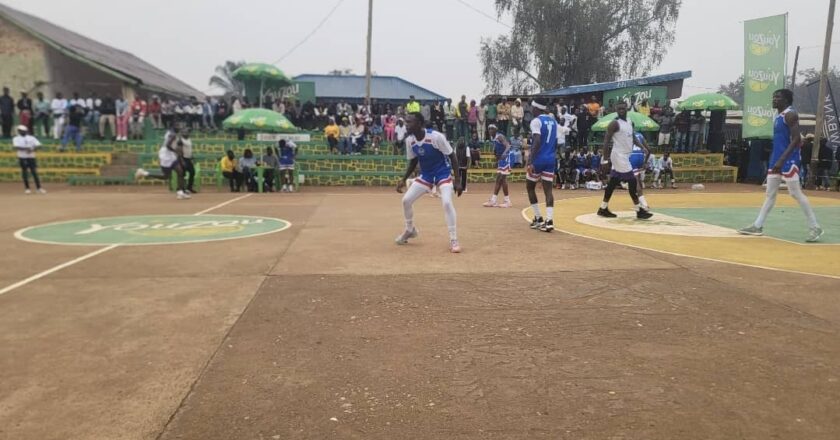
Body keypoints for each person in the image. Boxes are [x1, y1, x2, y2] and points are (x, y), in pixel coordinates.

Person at [738, 89, 822, 242]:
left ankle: (815, 227)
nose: (774, 99)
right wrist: (776, 158)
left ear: (786, 100)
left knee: (795, 193)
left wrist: (782, 160)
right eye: (773, 96)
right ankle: (758, 225)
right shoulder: (778, 116)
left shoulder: (790, 114)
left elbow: (797, 139)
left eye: (777, 97)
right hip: (777, 158)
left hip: (788, 159)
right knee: (770, 194)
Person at [395, 112, 463, 253]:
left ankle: (453, 239)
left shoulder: (436, 137)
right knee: (406, 200)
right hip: (426, 176)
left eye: (410, 122)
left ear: (419, 124)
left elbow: (452, 156)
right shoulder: (410, 141)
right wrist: (403, 179)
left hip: (442, 173)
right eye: (406, 122)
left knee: (446, 202)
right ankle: (410, 230)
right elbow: (413, 161)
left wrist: (457, 180)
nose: (406, 125)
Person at [596, 102, 653, 219]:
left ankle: (603, 208)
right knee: (632, 182)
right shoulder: (614, 124)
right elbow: (606, 141)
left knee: (612, 182)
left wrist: (642, 147)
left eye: (623, 108)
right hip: (619, 156)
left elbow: (632, 137)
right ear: (616, 109)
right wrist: (605, 160)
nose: (621, 110)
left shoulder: (629, 122)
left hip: (625, 156)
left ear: (627, 108)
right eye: (619, 109)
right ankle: (639, 210)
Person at [525, 100, 559, 232]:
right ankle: (549, 221)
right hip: (550, 159)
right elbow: (555, 141)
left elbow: (537, 140)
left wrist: (530, 160)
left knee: (530, 187)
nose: (531, 110)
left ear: (536, 108)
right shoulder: (553, 121)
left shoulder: (536, 121)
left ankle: (538, 217)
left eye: (532, 108)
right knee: (548, 191)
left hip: (538, 159)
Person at [134, 129, 190, 199]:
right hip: (165, 156)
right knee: (165, 176)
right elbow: (168, 146)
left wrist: (179, 156)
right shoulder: (173, 135)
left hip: (170, 155)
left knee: (180, 172)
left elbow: (176, 148)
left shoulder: (175, 136)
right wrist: (175, 151)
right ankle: (144, 173)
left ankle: (180, 192)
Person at [483, 124, 513, 208]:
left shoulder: (499, 136)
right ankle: (495, 200)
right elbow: (497, 151)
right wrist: (497, 160)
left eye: (492, 129)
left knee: (501, 178)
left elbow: (508, 146)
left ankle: (506, 201)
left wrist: (504, 154)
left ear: (496, 130)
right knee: (499, 179)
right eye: (489, 129)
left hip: (507, 157)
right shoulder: (494, 139)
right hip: (502, 160)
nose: (490, 130)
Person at [12, 125, 46, 194]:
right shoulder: (16, 138)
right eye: (21, 131)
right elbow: (16, 147)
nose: (23, 132)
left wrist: (32, 149)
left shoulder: (31, 138)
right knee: (25, 172)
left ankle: (39, 188)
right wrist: (26, 149)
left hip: (31, 157)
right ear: (19, 131)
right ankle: (27, 188)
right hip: (22, 157)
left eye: (24, 131)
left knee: (34, 172)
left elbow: (39, 145)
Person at [179, 129, 197, 193]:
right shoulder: (180, 140)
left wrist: (192, 156)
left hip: (188, 158)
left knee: (192, 172)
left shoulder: (189, 139)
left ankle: (189, 187)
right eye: (184, 132)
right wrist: (181, 160)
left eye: (187, 132)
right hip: (183, 159)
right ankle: (182, 189)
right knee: (182, 174)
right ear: (182, 133)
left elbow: (190, 149)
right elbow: (179, 150)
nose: (186, 133)